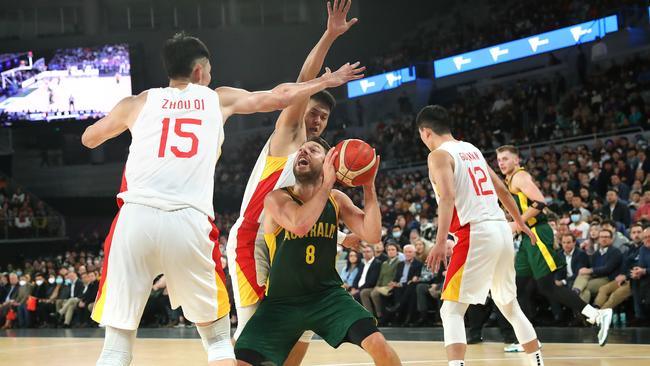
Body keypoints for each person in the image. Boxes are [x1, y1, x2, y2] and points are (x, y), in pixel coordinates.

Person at [81, 31, 362, 366]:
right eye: (210, 70)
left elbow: (89, 138)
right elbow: (280, 96)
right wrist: (325, 80)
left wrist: (124, 120)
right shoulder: (217, 98)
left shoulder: (138, 103)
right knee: (217, 342)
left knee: (115, 348)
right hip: (188, 220)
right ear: (200, 72)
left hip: (134, 218)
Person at [226, 3, 361, 363]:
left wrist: (342, 236)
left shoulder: (313, 163)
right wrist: (330, 36)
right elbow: (303, 81)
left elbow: (309, 214)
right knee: (255, 331)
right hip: (254, 239)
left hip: (286, 241)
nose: (316, 120)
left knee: (298, 327)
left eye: (324, 117)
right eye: (313, 111)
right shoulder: (289, 134)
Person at [234, 137, 401, 366]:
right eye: (301, 150)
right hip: (282, 301)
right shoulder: (277, 198)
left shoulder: (336, 200)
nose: (304, 151)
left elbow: (372, 235)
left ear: (328, 162)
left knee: (377, 343)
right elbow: (300, 224)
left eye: (313, 150)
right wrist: (326, 185)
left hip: (327, 297)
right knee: (241, 361)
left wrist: (368, 186)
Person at [418, 105, 543, 366]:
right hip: (500, 228)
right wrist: (518, 221)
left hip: (475, 232)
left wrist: (440, 241)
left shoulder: (438, 155)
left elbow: (448, 197)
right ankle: (537, 361)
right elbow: (502, 189)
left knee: (450, 310)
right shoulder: (471, 149)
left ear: (426, 132)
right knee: (509, 304)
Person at [496, 144, 612, 347]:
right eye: (499, 160)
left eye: (505, 158)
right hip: (526, 237)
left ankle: (596, 314)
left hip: (537, 234)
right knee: (519, 287)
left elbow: (540, 202)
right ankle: (526, 339)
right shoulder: (509, 180)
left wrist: (518, 223)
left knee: (546, 286)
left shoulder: (520, 177)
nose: (501, 163)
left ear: (517, 160)